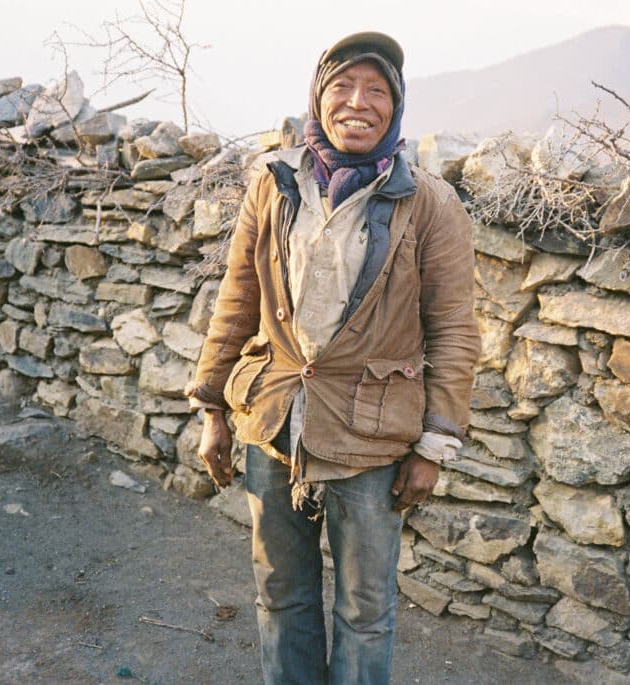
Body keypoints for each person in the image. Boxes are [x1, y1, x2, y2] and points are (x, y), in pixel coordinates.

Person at [185, 31, 480, 685]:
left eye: (377, 90)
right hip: (273, 422)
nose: (358, 102)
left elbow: (455, 331)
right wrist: (212, 407)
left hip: (371, 441)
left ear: (395, 108)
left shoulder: (428, 204)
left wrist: (434, 445)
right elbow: (237, 297)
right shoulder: (275, 183)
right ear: (318, 98)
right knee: (280, 596)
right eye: (343, 86)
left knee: (365, 611)